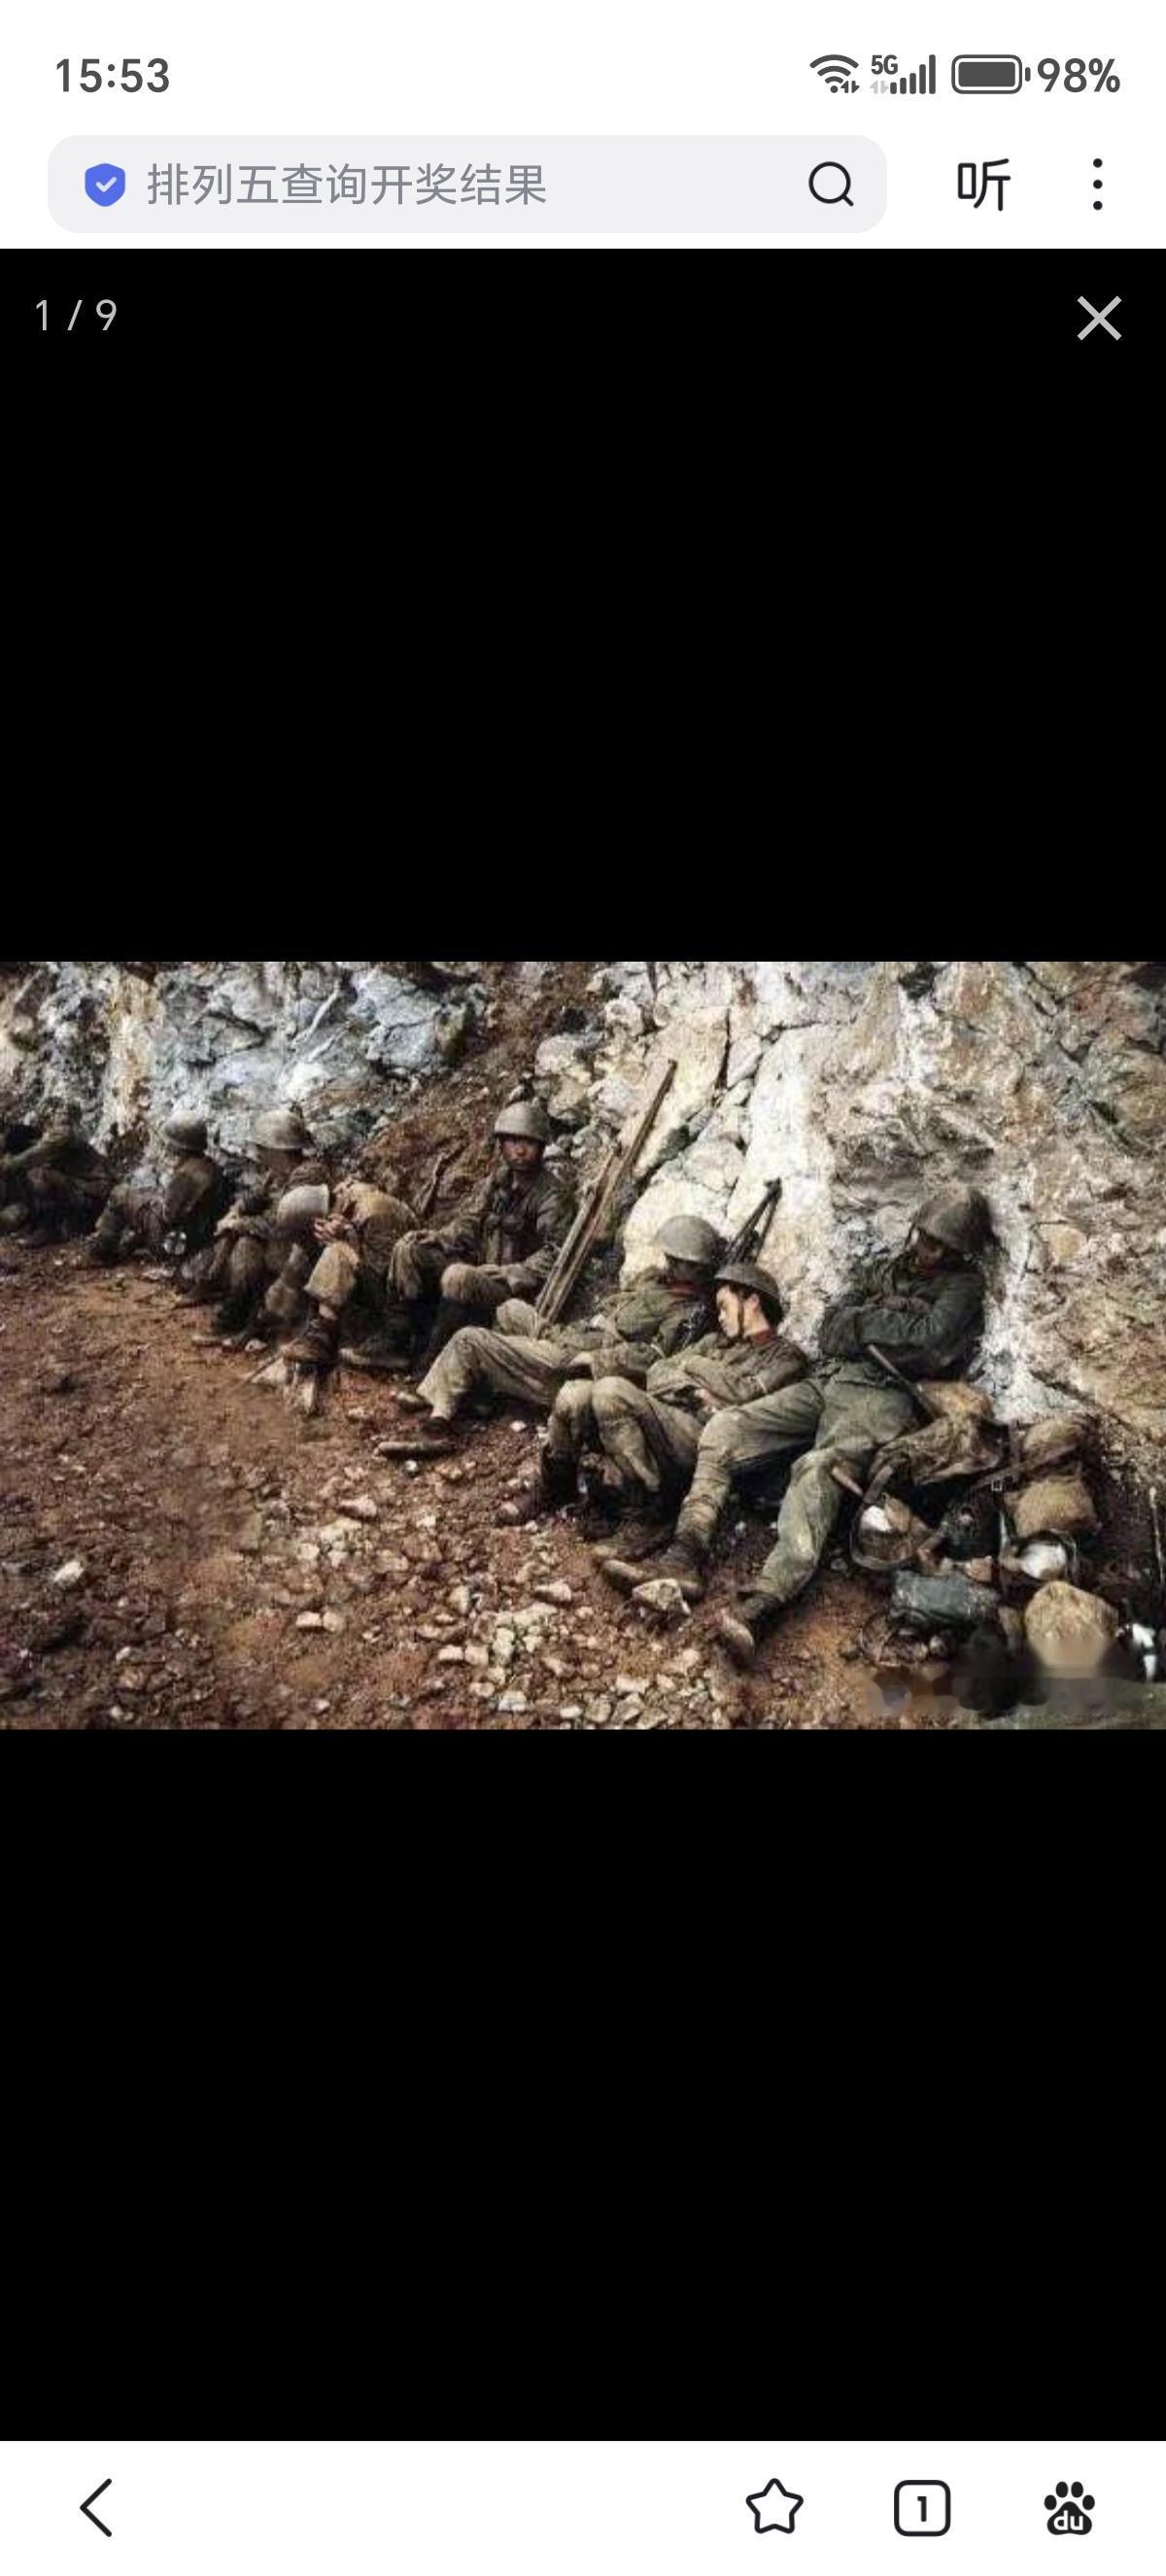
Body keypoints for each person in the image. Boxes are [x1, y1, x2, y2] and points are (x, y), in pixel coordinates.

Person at [640, 1187, 993, 1661]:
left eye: (939, 1246)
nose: (926, 1250)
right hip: (829, 1379)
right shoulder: (888, 1267)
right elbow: (831, 1328)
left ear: (958, 1252)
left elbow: (931, 1344)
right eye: (924, 1238)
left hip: (883, 1395)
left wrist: (864, 1320)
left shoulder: (963, 1287)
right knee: (728, 1426)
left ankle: (767, 1599)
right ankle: (688, 1549)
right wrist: (889, 1319)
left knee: (819, 1467)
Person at [391, 1215, 725, 1498]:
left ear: (700, 1269)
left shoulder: (688, 1312)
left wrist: (597, 1360)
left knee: (470, 1340)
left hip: (577, 1358)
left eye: (682, 1263)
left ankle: (440, 1421)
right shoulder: (656, 1282)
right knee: (510, 1309)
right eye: (671, 1258)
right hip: (571, 1335)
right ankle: (480, 1391)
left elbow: (654, 1358)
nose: (671, 1264)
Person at [594, 1261, 810, 1584]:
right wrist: (696, 1392)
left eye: (724, 1306)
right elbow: (657, 1373)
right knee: (610, 1393)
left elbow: (745, 1392)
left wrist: (694, 1366)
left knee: (613, 1391)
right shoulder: (712, 1344)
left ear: (752, 1302)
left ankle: (669, 1530)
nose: (719, 1317)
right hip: (682, 1427)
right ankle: (648, 1512)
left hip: (720, 1450)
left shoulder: (786, 1357)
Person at [387, 1101, 575, 1365]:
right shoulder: (499, 1180)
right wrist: (440, 1237)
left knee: (458, 1276)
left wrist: (512, 1272)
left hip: (513, 1294)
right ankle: (397, 1343)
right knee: (408, 1249)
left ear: (542, 1147)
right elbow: (471, 1221)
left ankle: (432, 1364)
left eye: (528, 1143)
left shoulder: (551, 1195)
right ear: (502, 1144)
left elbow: (556, 1253)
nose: (520, 1150)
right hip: (482, 1273)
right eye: (513, 1141)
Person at [194, 1105, 329, 1340]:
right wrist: (236, 1211)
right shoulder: (278, 1171)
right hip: (278, 1243)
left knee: (245, 1246)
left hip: (299, 1251)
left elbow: (280, 1223)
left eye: (262, 1148)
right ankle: (231, 1310)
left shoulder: (307, 1175)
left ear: (277, 1150)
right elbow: (256, 1196)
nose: (258, 1153)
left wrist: (238, 1224)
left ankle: (237, 1318)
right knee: (244, 1243)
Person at [86, 1110, 231, 1270]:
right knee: (144, 1201)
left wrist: (153, 1201)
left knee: (120, 1194)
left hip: (172, 1245)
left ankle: (102, 1253)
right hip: (196, 1240)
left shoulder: (185, 1175)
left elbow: (167, 1217)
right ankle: (129, 1242)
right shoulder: (211, 1168)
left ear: (178, 1145)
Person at [0, 1103, 112, 1245]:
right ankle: (45, 1225)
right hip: (88, 1195)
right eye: (58, 1114)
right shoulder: (58, 1137)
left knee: (41, 1175)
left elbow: (34, 1155)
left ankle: (48, 1230)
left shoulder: (66, 1135)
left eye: (63, 1115)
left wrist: (9, 1164)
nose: (59, 1118)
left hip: (95, 1199)